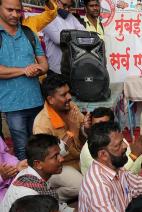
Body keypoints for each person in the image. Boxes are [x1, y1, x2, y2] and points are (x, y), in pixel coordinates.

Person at [0, 134, 79, 212]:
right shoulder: (29, 195)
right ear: (38, 164)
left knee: (80, 208)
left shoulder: (36, 175)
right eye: (55, 157)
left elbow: (51, 201)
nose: (61, 159)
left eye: (59, 154)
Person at [0, 0, 49, 160]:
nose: (15, 14)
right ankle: (26, 183)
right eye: (9, 10)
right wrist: (24, 70)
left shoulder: (29, 33)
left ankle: (41, 183)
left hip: (36, 101)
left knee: (41, 149)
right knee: (22, 151)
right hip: (13, 105)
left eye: (18, 10)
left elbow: (44, 64)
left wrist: (38, 68)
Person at [33, 74, 87, 201]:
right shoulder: (41, 123)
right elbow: (47, 158)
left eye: (68, 92)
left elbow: (82, 130)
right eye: (63, 95)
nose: (69, 97)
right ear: (51, 99)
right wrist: (71, 132)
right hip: (57, 168)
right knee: (81, 186)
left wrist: (87, 127)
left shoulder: (70, 106)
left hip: (78, 159)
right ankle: (51, 198)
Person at [81, 107, 142, 176]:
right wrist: (134, 155)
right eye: (95, 126)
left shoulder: (117, 139)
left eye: (103, 127)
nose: (98, 130)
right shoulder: (89, 151)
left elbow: (135, 171)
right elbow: (114, 175)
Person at [42, 0, 84, 74]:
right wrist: (76, 34)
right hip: (55, 69)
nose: (67, 9)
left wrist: (68, 35)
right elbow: (59, 40)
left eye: (70, 6)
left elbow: (84, 34)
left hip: (73, 67)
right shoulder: (46, 17)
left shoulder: (71, 17)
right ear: (56, 2)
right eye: (65, 5)